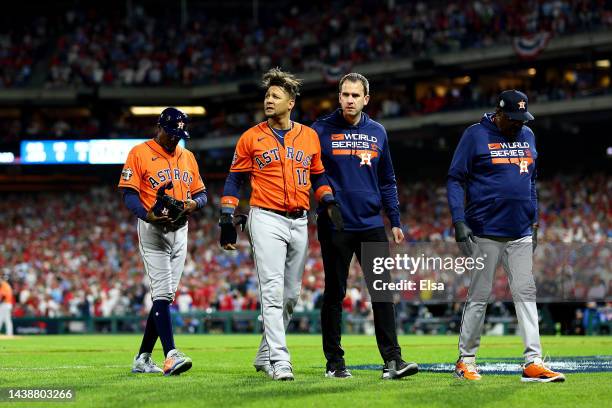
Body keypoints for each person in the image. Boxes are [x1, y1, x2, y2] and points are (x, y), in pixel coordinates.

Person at [219, 68, 343, 381]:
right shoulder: (251, 137)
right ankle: (280, 360)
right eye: (267, 95)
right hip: (265, 218)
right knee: (272, 293)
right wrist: (226, 216)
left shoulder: (309, 136)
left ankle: (264, 355)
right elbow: (235, 178)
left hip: (300, 220)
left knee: (291, 295)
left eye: (276, 96)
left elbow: (318, 175)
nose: (268, 100)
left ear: (291, 103)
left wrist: (327, 200)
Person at [447, 90, 565, 382]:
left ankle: (533, 361)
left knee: (526, 294)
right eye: (513, 119)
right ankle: (466, 360)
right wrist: (459, 221)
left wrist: (535, 222)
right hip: (484, 231)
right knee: (479, 296)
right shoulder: (475, 135)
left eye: (522, 119)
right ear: (498, 114)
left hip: (521, 231)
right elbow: (454, 179)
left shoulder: (528, 135)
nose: (518, 125)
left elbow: (531, 182)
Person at [311, 73, 418, 380]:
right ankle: (334, 362)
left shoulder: (378, 132)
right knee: (335, 292)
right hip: (336, 223)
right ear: (339, 96)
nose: (349, 100)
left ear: (366, 99)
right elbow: (315, 173)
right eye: (345, 94)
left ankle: (393, 361)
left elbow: (387, 180)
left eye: (355, 95)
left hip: (372, 223)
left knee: (382, 293)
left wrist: (395, 220)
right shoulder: (320, 130)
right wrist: (327, 201)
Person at [119, 107, 207, 376]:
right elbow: (128, 194)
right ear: (160, 127)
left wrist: (194, 203)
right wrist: (147, 214)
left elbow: (202, 194)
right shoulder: (139, 152)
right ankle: (171, 355)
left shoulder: (188, 156)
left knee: (165, 297)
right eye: (170, 133)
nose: (174, 139)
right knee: (162, 293)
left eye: (178, 134)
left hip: (181, 230)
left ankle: (143, 358)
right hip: (152, 230)